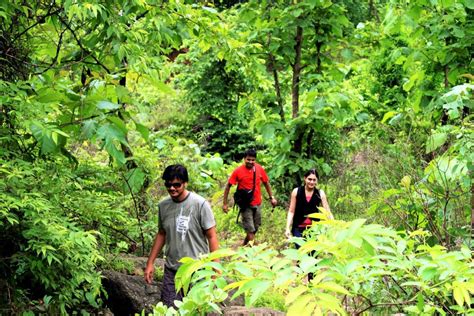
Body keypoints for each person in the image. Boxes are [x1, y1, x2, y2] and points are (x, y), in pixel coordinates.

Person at [144, 164, 219, 307]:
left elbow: (212, 236)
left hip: (197, 269)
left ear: (185, 183)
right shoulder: (163, 206)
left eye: (177, 185)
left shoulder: (200, 204)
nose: (172, 188)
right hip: (172, 270)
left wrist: (216, 268)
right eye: (168, 184)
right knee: (169, 309)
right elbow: (161, 233)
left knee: (196, 309)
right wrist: (150, 263)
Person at [222, 149, 277, 245]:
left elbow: (266, 183)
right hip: (245, 205)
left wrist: (271, 197)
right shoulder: (238, 171)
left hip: (257, 203)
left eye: (253, 160)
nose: (251, 162)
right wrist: (225, 203)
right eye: (248, 159)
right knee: (250, 230)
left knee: (255, 228)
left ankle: (244, 245)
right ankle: (256, 251)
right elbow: (228, 186)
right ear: (244, 159)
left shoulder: (259, 169)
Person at [284, 168, 333, 241]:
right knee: (301, 250)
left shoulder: (320, 194)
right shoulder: (296, 192)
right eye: (309, 179)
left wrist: (333, 225)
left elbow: (327, 211)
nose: (312, 182)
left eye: (314, 180)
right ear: (305, 179)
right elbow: (291, 211)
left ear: (317, 180)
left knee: (312, 251)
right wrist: (287, 228)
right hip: (298, 228)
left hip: (314, 229)